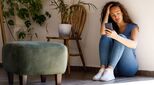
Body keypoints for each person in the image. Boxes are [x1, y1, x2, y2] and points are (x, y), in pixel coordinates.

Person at [93, 1, 139, 81]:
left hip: (129, 68)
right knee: (105, 36)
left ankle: (110, 70)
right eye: (113, 15)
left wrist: (116, 37)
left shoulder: (133, 27)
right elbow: (102, 32)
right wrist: (107, 14)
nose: (116, 16)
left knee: (121, 37)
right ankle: (103, 69)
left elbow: (134, 45)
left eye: (118, 13)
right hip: (115, 69)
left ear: (122, 13)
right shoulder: (112, 28)